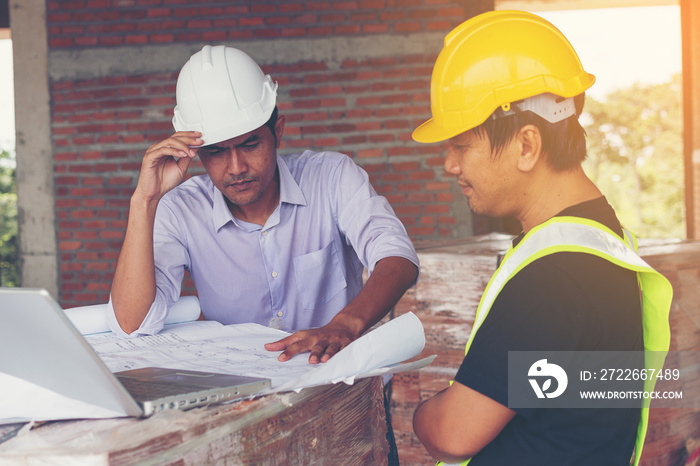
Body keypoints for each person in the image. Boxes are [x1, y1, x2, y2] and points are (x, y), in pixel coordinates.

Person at [410, 10, 672, 466]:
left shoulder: (555, 277)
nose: (450, 165)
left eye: (460, 146)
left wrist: (421, 413)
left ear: (527, 145)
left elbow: (453, 433)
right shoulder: (598, 236)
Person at [107, 45, 420, 366]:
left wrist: (345, 324)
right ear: (195, 154)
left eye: (250, 144)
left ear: (278, 132)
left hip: (344, 383)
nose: (236, 167)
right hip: (247, 396)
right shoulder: (180, 210)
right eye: (215, 152)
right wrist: (144, 201)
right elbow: (133, 324)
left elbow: (397, 257)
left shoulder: (332, 177)